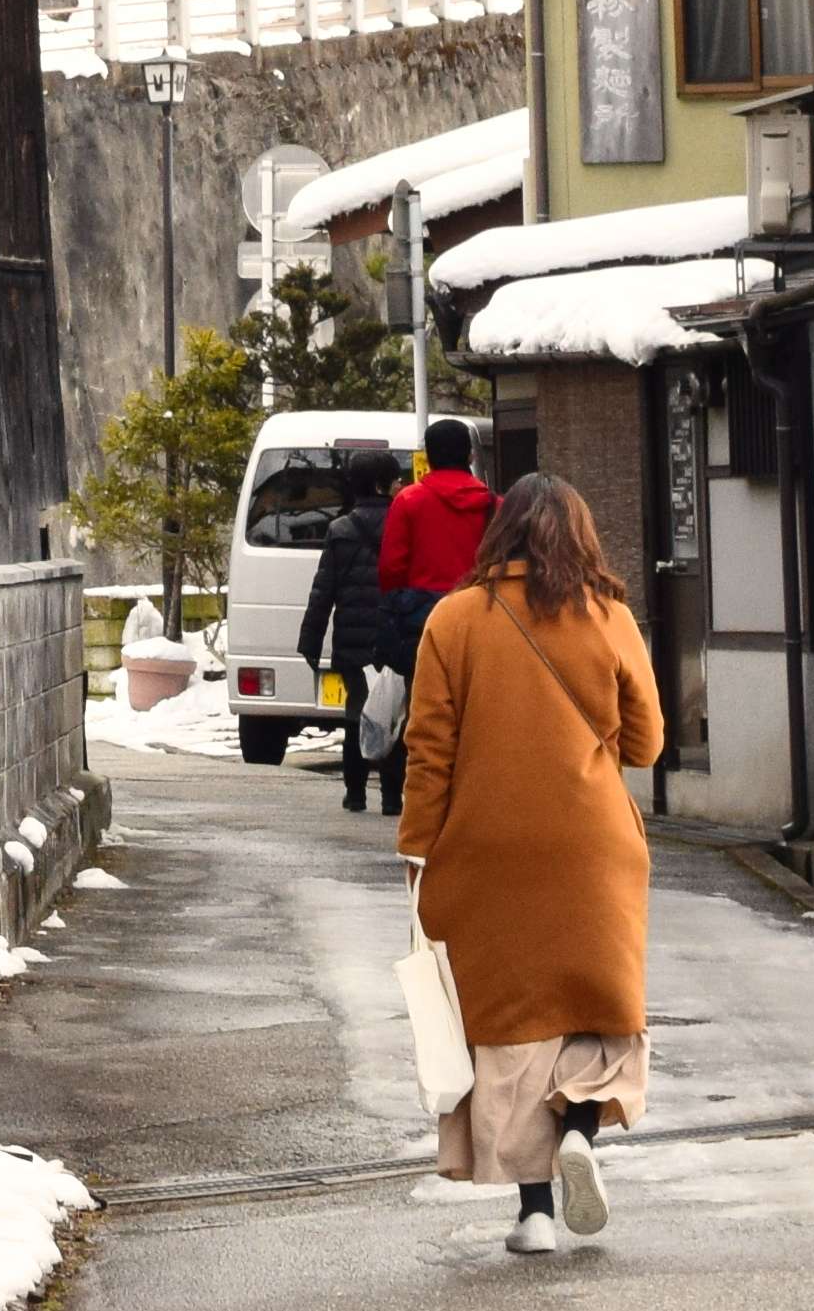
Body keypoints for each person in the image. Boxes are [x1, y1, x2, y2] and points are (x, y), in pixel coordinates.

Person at [393, 468, 664, 1258]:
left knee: (517, 1034)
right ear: (580, 537)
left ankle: (536, 1212)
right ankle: (581, 1129)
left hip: (486, 855)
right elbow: (646, 742)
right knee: (600, 1012)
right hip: (594, 850)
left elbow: (429, 751)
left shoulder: (453, 619)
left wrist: (416, 848)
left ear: (499, 533)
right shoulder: (608, 616)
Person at [343, 417, 494, 816]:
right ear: (470, 454)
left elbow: (391, 569)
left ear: (427, 457)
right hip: (478, 617)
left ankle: (397, 793)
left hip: (420, 621)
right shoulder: (491, 504)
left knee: (417, 708)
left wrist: (399, 610)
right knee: (472, 708)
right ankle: (469, 792)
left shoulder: (408, 502)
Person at [289, 438, 397, 776]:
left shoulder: (340, 529)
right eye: (395, 480)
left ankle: (354, 790)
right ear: (381, 484)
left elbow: (323, 591)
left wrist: (310, 641)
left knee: (356, 710)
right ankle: (392, 795)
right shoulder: (402, 524)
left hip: (351, 641)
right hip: (393, 636)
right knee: (393, 711)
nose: (399, 486)